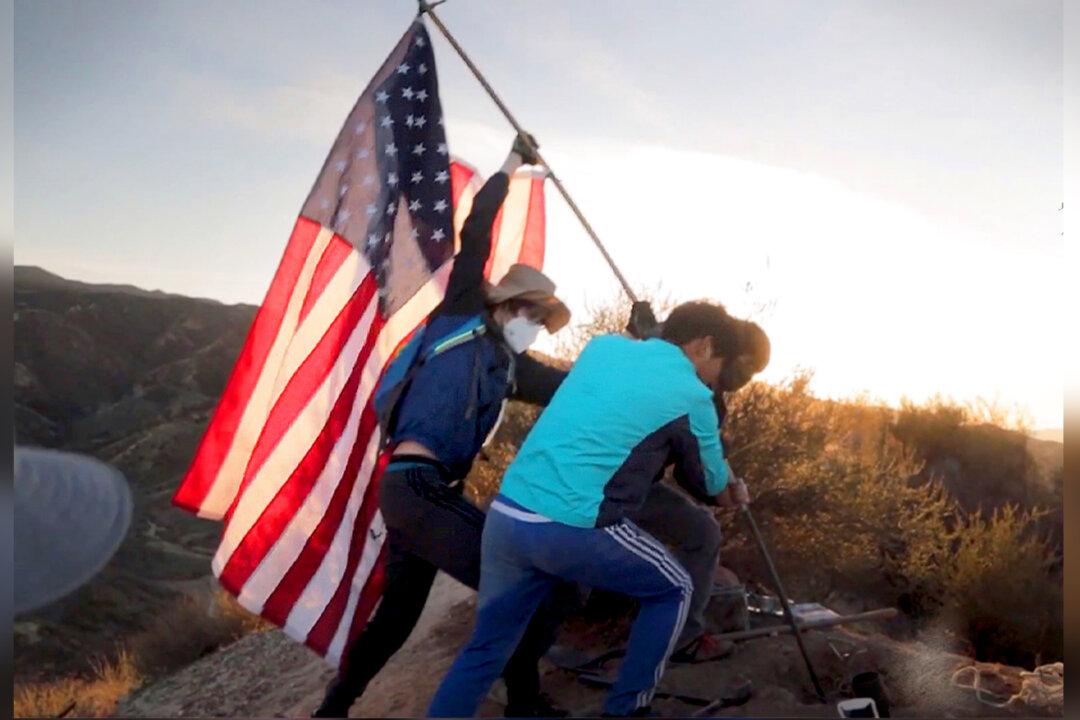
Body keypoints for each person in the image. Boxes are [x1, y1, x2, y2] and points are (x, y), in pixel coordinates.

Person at [313, 134, 573, 719]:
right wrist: (511, 164)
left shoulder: (511, 368)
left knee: (398, 619)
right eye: (528, 310)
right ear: (504, 302)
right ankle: (523, 702)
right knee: (527, 580)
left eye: (542, 317)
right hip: (418, 487)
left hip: (416, 494)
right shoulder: (461, 314)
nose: (533, 322)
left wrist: (643, 347)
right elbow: (476, 231)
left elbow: (579, 391)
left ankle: (331, 710)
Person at [428, 300, 754, 718]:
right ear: (705, 346)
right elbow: (712, 484)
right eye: (720, 364)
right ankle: (627, 710)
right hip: (573, 525)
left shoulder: (604, 348)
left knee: (487, 646)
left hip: (509, 513)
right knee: (675, 588)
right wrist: (734, 490)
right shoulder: (694, 396)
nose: (717, 379)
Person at [626, 306, 771, 664]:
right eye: (746, 365)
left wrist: (721, 489)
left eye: (754, 373)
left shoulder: (712, 407)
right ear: (724, 350)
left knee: (702, 530)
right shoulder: (664, 363)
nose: (745, 377)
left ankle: (682, 637)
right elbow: (651, 351)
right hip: (606, 479)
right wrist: (644, 332)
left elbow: (692, 475)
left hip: (644, 485)